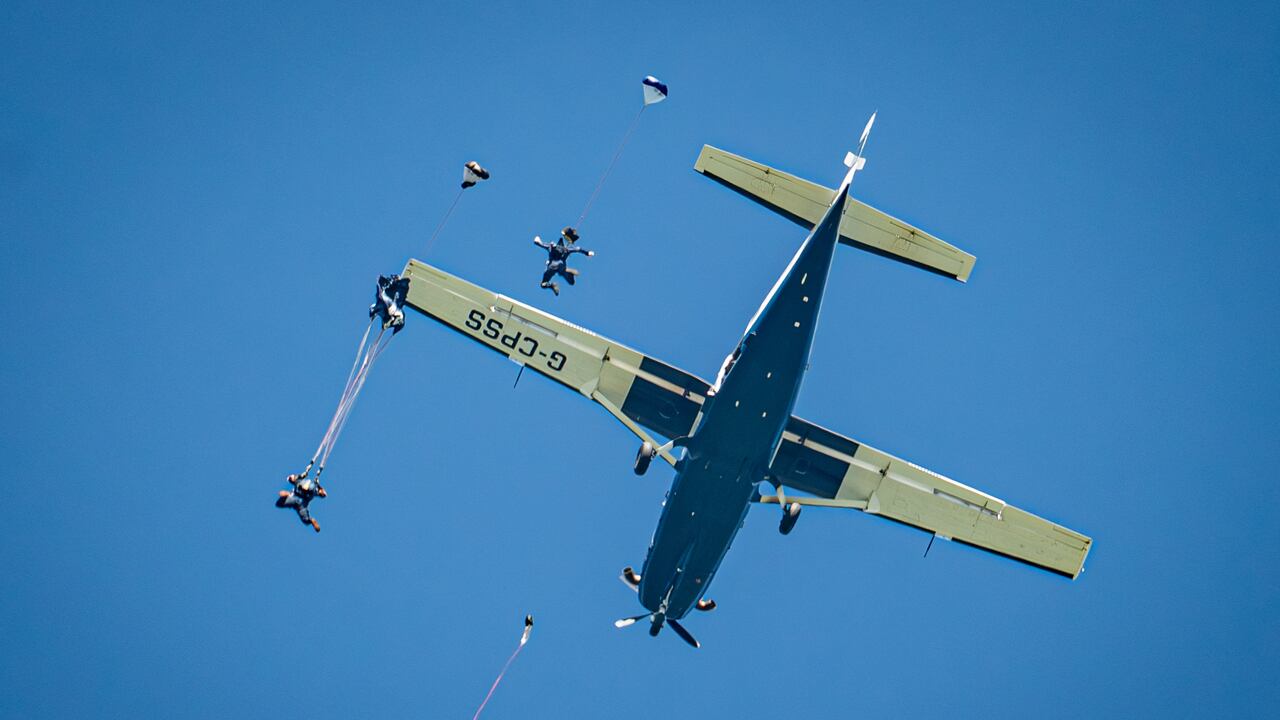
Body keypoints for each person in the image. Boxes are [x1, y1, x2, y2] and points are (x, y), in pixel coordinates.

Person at [533, 226, 594, 295]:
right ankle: (568, 274)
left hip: (551, 267)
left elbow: (538, 243)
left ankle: (552, 285)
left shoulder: (551, 247)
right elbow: (578, 249)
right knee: (571, 282)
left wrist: (537, 240)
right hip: (561, 267)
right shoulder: (566, 250)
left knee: (543, 284)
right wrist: (587, 253)